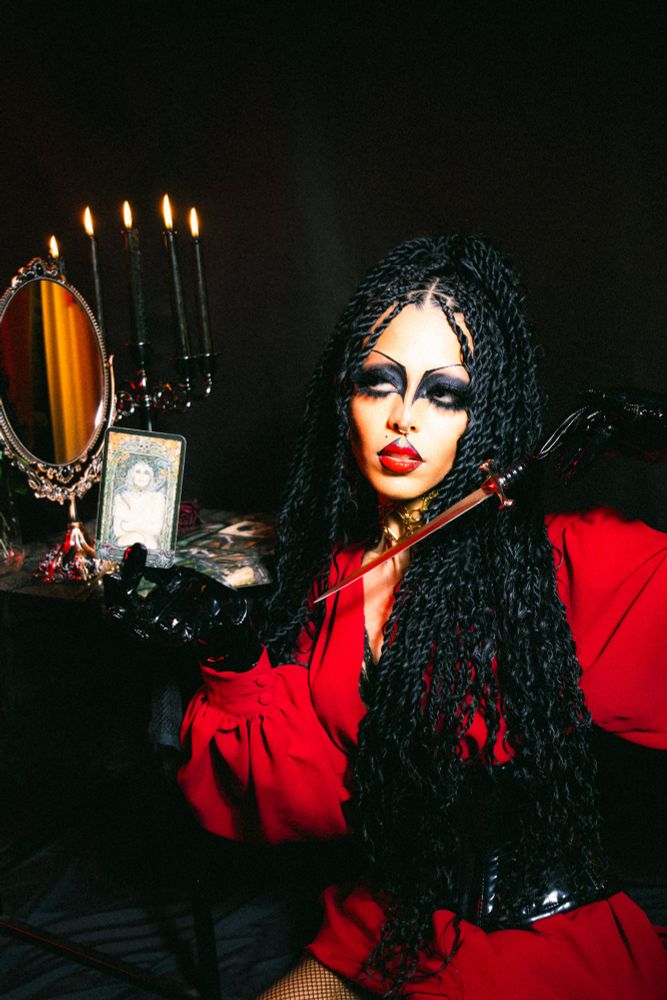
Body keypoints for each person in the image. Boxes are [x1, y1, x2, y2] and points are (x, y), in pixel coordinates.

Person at [107, 235, 667, 999]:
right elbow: (307, 796)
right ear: (345, 401)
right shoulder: (337, 578)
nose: (403, 417)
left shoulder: (570, 566)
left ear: (487, 413)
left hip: (536, 949)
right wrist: (231, 657)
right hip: (390, 923)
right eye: (379, 383)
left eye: (444, 393)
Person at [112, 458, 166, 550]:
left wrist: (130, 522)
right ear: (131, 474)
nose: (142, 476)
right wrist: (144, 523)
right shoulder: (121, 497)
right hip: (125, 544)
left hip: (149, 546)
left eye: (146, 473)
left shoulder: (157, 498)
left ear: (151, 477)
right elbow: (118, 531)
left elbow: (156, 530)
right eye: (138, 471)